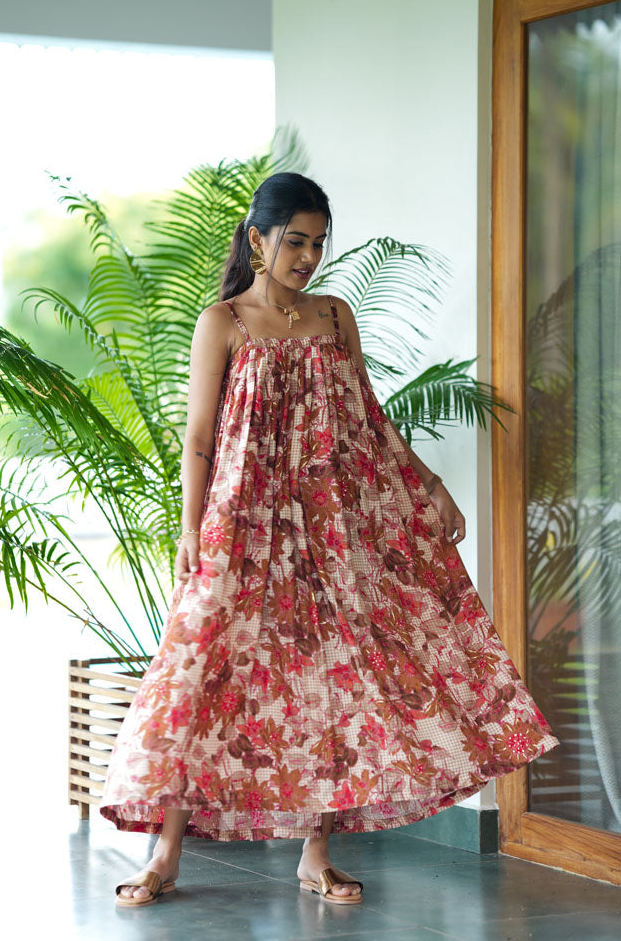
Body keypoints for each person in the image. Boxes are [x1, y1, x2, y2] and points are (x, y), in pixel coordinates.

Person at [100, 172, 560, 909]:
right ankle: (165, 851)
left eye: (317, 243)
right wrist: (190, 531)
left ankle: (315, 855)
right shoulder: (221, 321)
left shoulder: (334, 316)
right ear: (256, 239)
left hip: (331, 523)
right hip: (241, 522)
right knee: (198, 670)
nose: (308, 256)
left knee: (329, 679)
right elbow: (197, 440)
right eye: (295, 241)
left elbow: (371, 422)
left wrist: (429, 486)